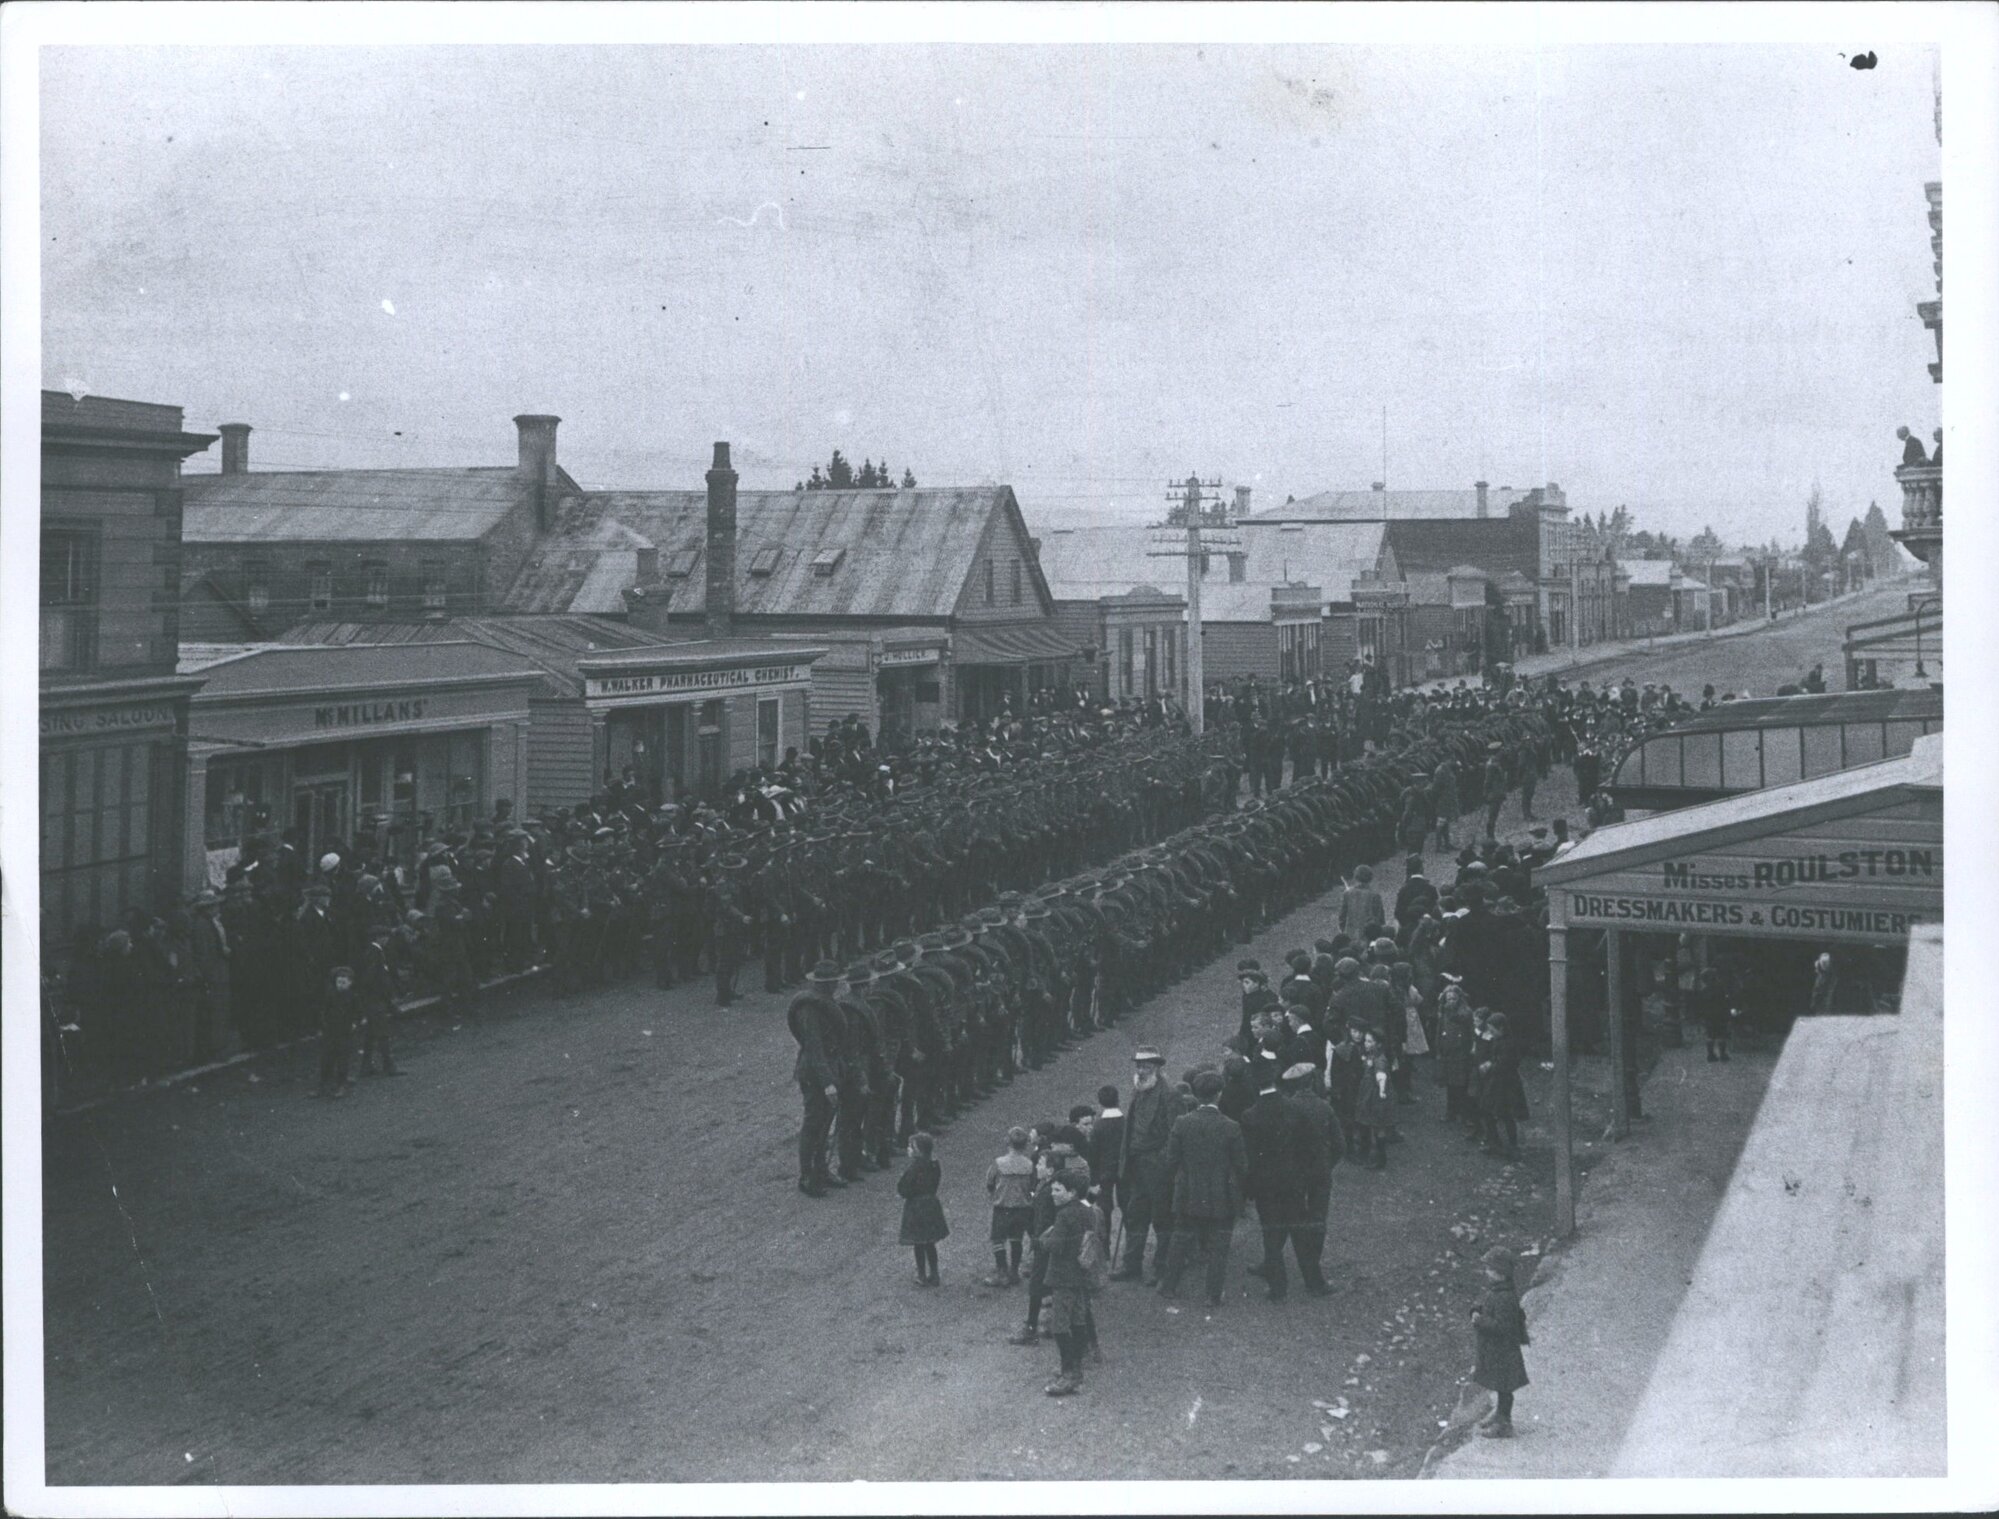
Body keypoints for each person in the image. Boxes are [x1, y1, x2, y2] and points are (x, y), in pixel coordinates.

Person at [1157, 1070, 1247, 1308]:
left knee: (1180, 1239)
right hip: (1221, 1195)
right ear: (1219, 1095)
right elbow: (1241, 1165)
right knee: (1219, 1246)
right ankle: (1212, 1295)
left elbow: (1171, 1160)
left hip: (1188, 1192)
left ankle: (1169, 1286)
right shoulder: (1231, 1127)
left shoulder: (1182, 1123)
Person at [1112, 1047, 1179, 1282]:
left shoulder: (1169, 1094)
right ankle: (1132, 1265)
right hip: (1136, 1163)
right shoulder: (1139, 1088)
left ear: (1157, 1068)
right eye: (1138, 1066)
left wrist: (1162, 1162)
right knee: (1135, 1215)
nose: (1140, 1071)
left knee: (1162, 1218)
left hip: (1157, 1166)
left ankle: (1161, 1268)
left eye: (1146, 1067)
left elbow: (1174, 1133)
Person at [1039, 1167, 1098, 1396]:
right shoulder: (1087, 1211)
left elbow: (1056, 1246)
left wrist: (1043, 1241)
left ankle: (1068, 1373)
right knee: (1078, 1319)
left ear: (1071, 1192)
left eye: (1057, 1190)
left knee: (1060, 1325)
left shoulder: (1064, 1215)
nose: (1052, 1194)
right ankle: (1077, 1367)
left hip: (1063, 1275)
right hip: (1081, 1274)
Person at [1470, 1246, 1531, 1438]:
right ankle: (1499, 1415)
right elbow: (1486, 1304)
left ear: (1501, 1273)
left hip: (1503, 1351)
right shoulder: (1497, 1290)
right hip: (1496, 1350)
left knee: (1505, 1387)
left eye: (1490, 1269)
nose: (1487, 1272)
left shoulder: (1505, 1297)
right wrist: (1475, 1310)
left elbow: (1503, 1327)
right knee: (1500, 1385)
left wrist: (1480, 1321)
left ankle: (1504, 1423)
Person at [985, 1127, 1036, 1287]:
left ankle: (1002, 1272)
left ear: (1008, 1142)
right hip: (1022, 1208)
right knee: (1016, 1240)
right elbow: (1033, 1185)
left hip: (1002, 1207)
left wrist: (995, 1193)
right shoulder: (1029, 1165)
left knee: (998, 1240)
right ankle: (1014, 1272)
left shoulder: (999, 1163)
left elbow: (990, 1182)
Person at [897, 1132, 948, 1286]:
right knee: (930, 1242)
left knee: (918, 1243)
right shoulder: (934, 1165)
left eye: (910, 1147)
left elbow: (903, 1188)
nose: (908, 1150)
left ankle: (921, 1274)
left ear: (917, 1150)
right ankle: (935, 1273)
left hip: (916, 1207)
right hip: (931, 1204)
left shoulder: (913, 1168)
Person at [1476, 1012, 1528, 1159]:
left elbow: (1507, 1063)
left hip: (1506, 1084)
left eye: (1493, 1030)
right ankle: (1494, 1142)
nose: (1491, 1033)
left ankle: (1513, 1146)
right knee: (1487, 1110)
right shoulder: (1497, 1040)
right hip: (1495, 1082)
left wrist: (1489, 1066)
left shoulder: (1509, 1044)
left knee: (1506, 1114)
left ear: (1502, 1028)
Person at [1352, 1028, 1395, 1170]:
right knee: (1369, 1122)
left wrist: (1382, 1090)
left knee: (1378, 1125)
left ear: (1378, 1044)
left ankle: (1380, 1158)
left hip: (1375, 1096)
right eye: (1366, 1041)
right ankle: (1369, 1153)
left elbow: (1381, 1075)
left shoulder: (1379, 1059)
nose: (1366, 1043)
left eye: (1370, 1041)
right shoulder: (1371, 1055)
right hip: (1367, 1094)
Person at [316, 964, 359, 1100]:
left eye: (343, 982)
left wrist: (355, 1023)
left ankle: (342, 1084)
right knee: (326, 1058)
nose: (340, 985)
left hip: (345, 1032)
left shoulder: (353, 997)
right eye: (338, 982)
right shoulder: (331, 995)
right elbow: (324, 1011)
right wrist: (323, 1026)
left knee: (342, 1059)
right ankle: (323, 1084)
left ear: (350, 983)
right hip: (331, 1031)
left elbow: (358, 1013)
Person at [1693, 966, 1734, 1062]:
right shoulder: (1720, 990)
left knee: (1710, 1035)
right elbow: (1725, 1003)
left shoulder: (1703, 991)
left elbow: (1699, 1005)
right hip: (1720, 1015)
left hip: (1708, 1016)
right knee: (1721, 1035)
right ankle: (1722, 1055)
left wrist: (1700, 1016)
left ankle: (1710, 1055)